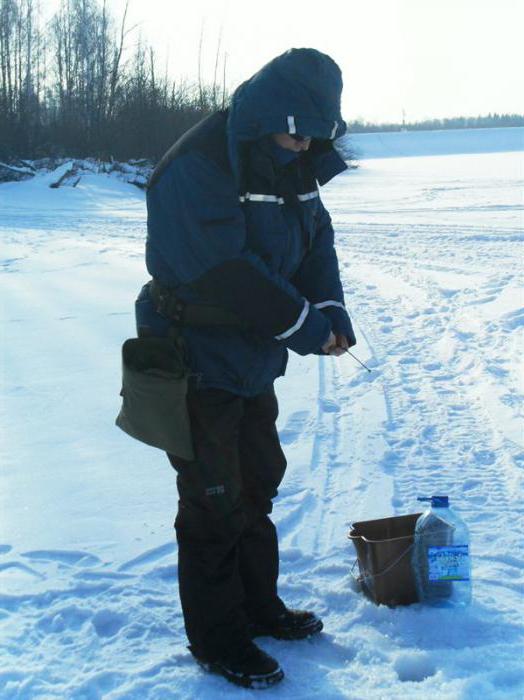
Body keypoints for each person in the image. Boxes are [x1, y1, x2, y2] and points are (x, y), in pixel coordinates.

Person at [135, 48, 356, 689]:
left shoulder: (290, 158)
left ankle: (258, 605)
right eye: (297, 130)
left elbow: (316, 240)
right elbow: (227, 273)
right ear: (268, 113)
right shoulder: (198, 167)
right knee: (212, 498)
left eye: (317, 133)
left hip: (252, 358)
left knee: (257, 482)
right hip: (193, 358)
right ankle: (218, 637)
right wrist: (306, 328)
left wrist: (331, 308)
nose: (306, 144)